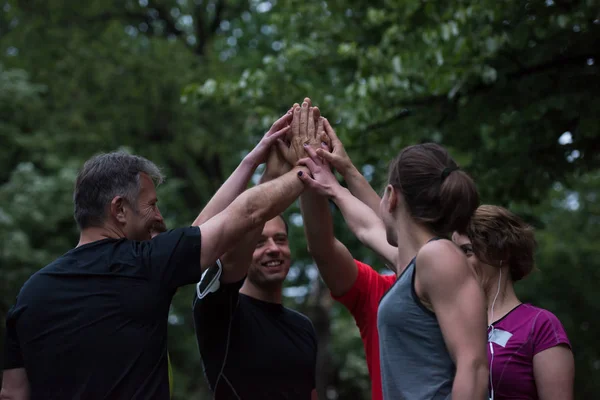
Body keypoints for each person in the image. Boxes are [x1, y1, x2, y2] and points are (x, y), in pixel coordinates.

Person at [0, 107, 319, 400]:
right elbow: (245, 214)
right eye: (151, 205)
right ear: (120, 209)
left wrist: (252, 161)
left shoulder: (30, 295)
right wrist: (309, 169)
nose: (159, 217)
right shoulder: (145, 264)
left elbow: (13, 394)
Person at [299, 138, 489, 399]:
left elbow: (474, 367)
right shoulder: (415, 266)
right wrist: (335, 186)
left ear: (391, 197)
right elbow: (367, 228)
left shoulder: (440, 256)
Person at [192, 99, 320, 400]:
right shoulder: (220, 309)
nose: (273, 249)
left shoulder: (303, 327)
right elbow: (226, 236)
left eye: (281, 239)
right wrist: (277, 174)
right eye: (260, 242)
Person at [296, 117, 395, 400]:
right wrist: (311, 169)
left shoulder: (456, 289)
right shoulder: (379, 294)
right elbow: (323, 247)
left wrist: (334, 180)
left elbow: (380, 229)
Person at [452, 205, 575, 400]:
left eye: (467, 251)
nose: (455, 262)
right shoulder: (448, 323)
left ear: (500, 253)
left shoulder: (540, 325)